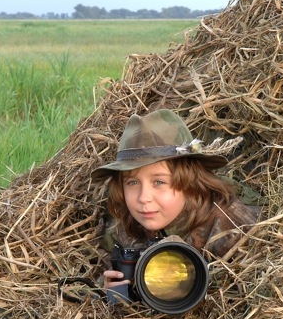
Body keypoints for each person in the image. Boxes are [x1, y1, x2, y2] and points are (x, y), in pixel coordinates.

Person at [91, 109, 262, 292]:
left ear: (189, 183)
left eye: (159, 182)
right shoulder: (124, 223)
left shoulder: (232, 227)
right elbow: (98, 262)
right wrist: (107, 287)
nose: (143, 198)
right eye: (132, 182)